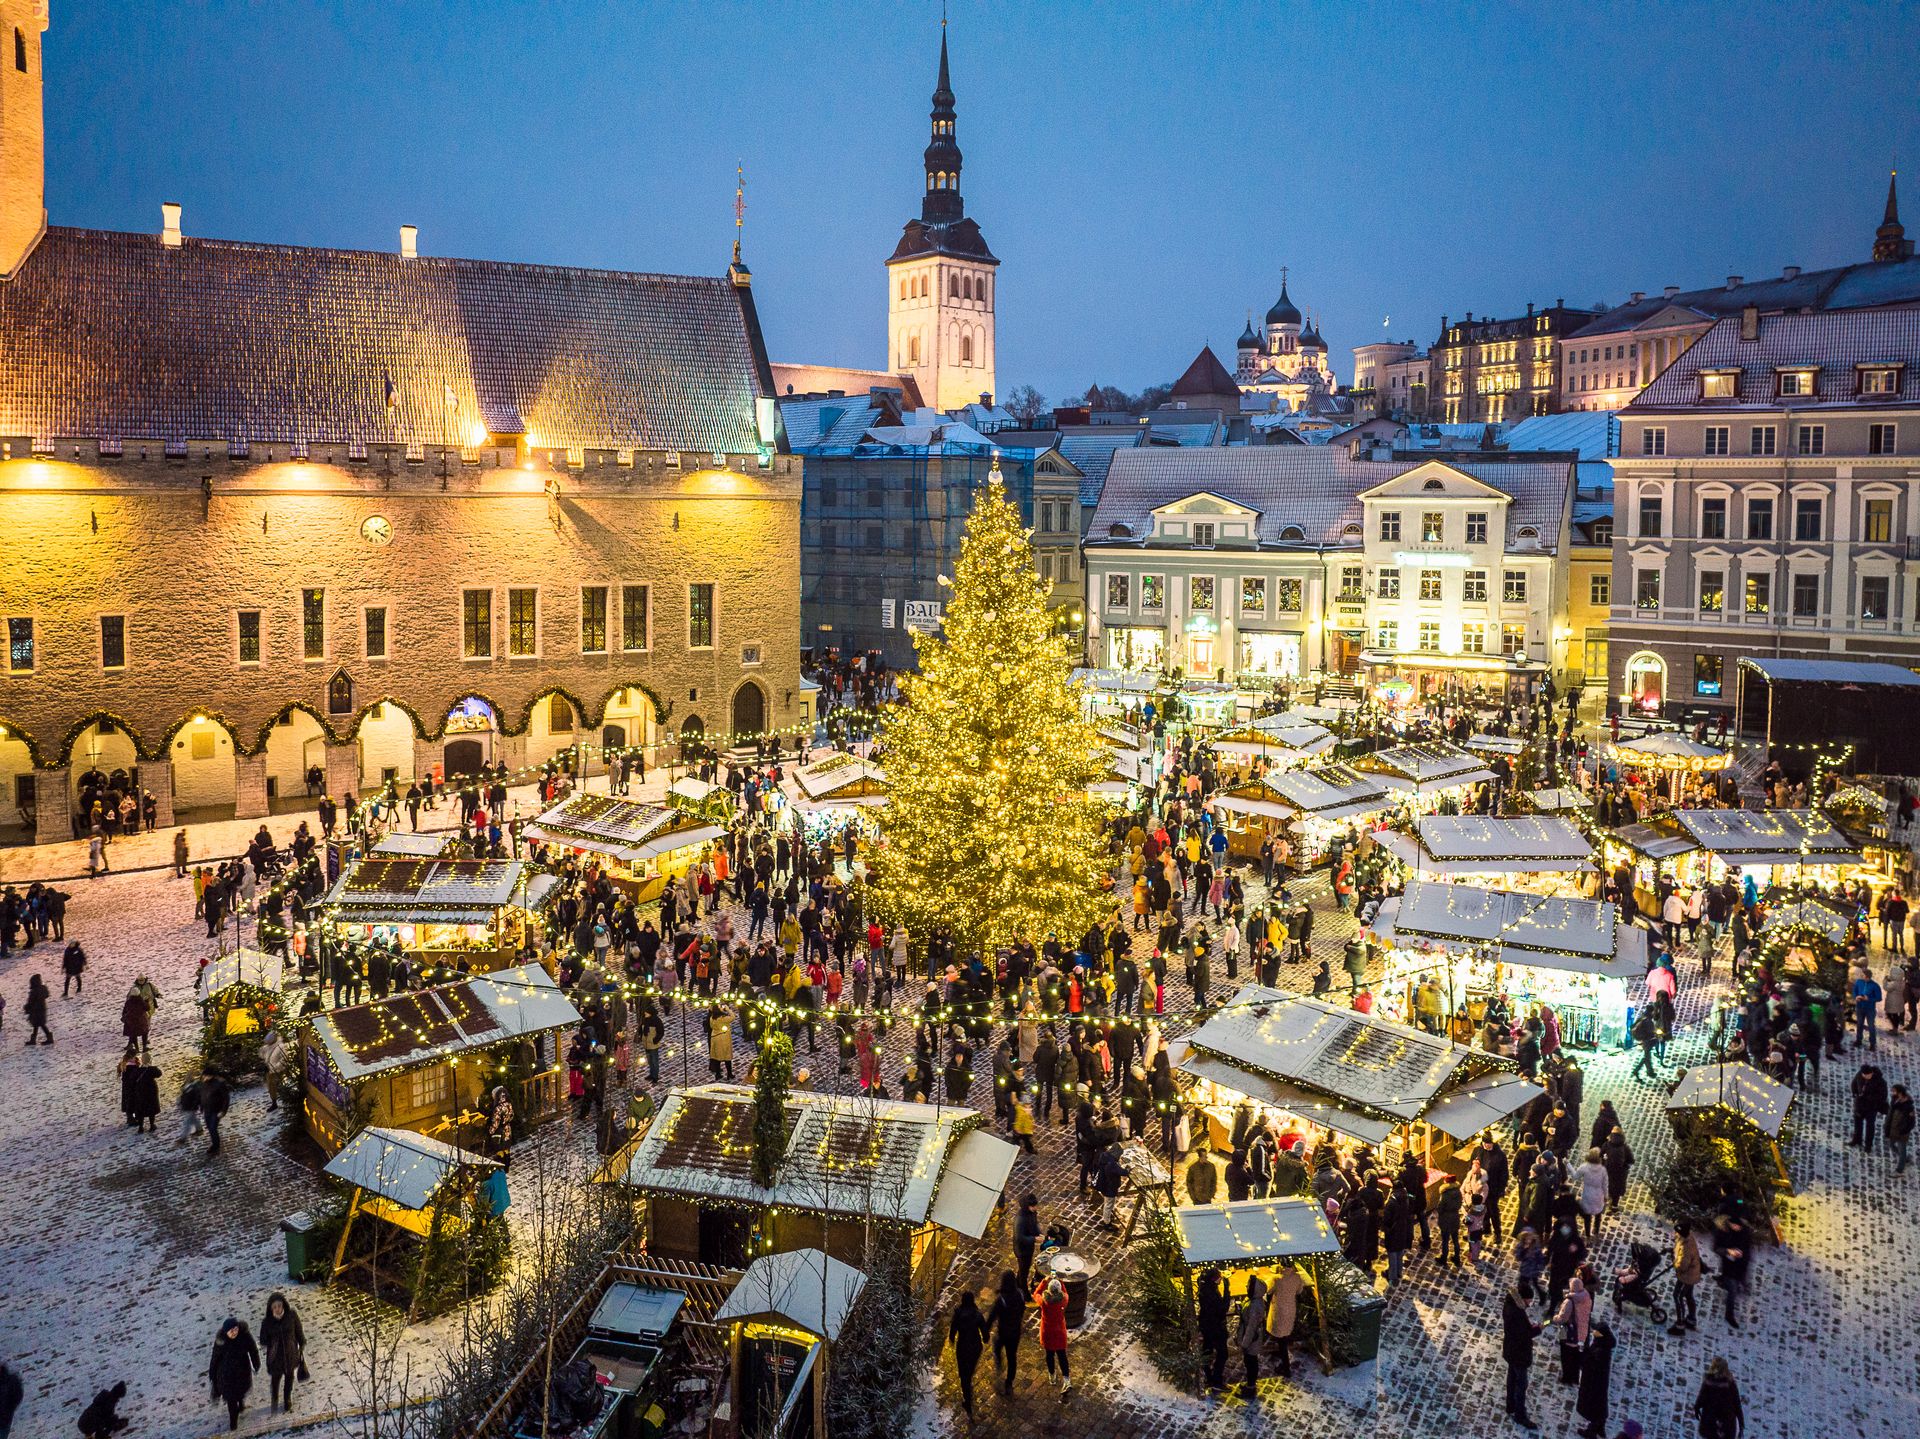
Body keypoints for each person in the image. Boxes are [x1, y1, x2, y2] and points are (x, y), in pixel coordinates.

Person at [208, 1316, 261, 1430]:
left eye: (235, 1329)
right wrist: (212, 1373)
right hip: (226, 1376)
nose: (234, 1332)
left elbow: (253, 1349)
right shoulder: (221, 1341)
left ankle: (241, 1404)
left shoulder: (245, 1336)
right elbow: (215, 1358)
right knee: (231, 1400)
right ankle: (233, 1422)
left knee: (241, 1392)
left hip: (242, 1372)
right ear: (226, 1331)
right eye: (231, 1331)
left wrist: (256, 1363)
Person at [1501, 1285, 1541, 1429]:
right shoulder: (1517, 1313)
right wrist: (1538, 1329)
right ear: (1522, 1299)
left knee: (1511, 1379)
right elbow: (1524, 1335)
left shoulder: (1510, 1305)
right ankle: (1520, 1415)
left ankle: (1510, 1406)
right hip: (1519, 1354)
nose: (1529, 1304)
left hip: (1511, 1350)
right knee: (1521, 1385)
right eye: (1528, 1301)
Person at [259, 1292, 306, 1412]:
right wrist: (273, 1340)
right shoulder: (267, 1322)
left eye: (279, 1305)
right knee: (276, 1379)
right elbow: (263, 1340)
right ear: (271, 1309)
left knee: (289, 1378)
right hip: (275, 1357)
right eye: (274, 1307)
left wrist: (302, 1343)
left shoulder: (292, 1316)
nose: (277, 1309)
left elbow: (298, 1331)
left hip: (290, 1354)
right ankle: (274, 1398)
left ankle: (287, 1399)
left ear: (283, 1304)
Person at [947, 1291, 990, 1420]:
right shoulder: (977, 1315)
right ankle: (968, 1381)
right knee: (969, 1371)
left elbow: (953, 1329)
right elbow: (985, 1333)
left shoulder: (958, 1314)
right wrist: (985, 1339)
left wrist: (952, 1339)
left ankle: (967, 1399)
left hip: (962, 1348)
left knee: (963, 1375)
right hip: (975, 1348)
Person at [1573, 1318, 1615, 1439]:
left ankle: (1592, 1432)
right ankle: (1600, 1427)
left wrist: (1582, 1354)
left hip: (1594, 1382)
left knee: (1594, 1407)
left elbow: (1589, 1364)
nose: (1593, 1333)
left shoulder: (1600, 1351)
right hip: (1599, 1381)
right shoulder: (1603, 1343)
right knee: (1600, 1405)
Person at [987, 1270, 1025, 1396]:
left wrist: (985, 1331)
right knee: (1012, 1357)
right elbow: (1022, 1311)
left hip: (1003, 1332)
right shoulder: (1020, 1295)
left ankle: (999, 1362)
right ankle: (1009, 1382)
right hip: (1015, 1333)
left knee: (997, 1346)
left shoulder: (1001, 1300)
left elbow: (992, 1316)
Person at [1711, 1213, 1752, 1328]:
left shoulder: (1744, 1231)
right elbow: (1716, 1248)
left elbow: (1748, 1247)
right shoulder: (1722, 1232)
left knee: (1738, 1283)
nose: (1738, 1228)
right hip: (1729, 1266)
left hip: (1741, 1264)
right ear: (1730, 1223)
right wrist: (1728, 1251)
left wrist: (1744, 1255)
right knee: (1732, 1291)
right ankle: (1729, 1315)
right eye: (1735, 1226)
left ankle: (1724, 1281)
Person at [1034, 1275, 1071, 1396]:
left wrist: (1044, 1281)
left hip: (1048, 1332)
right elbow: (1065, 1292)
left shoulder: (1044, 1302)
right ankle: (1066, 1379)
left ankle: (1052, 1376)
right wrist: (1060, 1280)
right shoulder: (1064, 1299)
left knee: (1049, 1354)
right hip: (1060, 1332)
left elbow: (1036, 1293)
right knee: (1062, 1356)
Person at [1265, 1262, 1302, 1380]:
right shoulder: (1297, 1277)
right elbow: (1299, 1291)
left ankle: (1285, 1367)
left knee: (1281, 1338)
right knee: (1284, 1334)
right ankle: (1280, 1353)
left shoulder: (1276, 1279)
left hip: (1279, 1310)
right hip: (1290, 1308)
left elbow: (1268, 1290)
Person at [1693, 1356, 1745, 1439]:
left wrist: (1697, 1408)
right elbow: (1737, 1404)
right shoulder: (1730, 1384)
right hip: (1727, 1424)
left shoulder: (1708, 1382)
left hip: (1710, 1422)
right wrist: (1741, 1424)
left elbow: (1701, 1398)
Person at [1553, 1274, 1591, 1386]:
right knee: (1576, 1356)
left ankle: (1566, 1378)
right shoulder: (1586, 1296)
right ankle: (1575, 1377)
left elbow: (1562, 1318)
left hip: (1569, 1333)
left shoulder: (1569, 1302)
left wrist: (1554, 1318)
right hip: (1582, 1331)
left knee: (1566, 1356)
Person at [1196, 1267, 1230, 1389]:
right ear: (1214, 1279)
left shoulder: (1204, 1286)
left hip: (1206, 1324)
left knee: (1207, 1349)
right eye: (1219, 1276)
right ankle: (1216, 1380)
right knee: (1223, 1353)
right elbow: (1223, 1308)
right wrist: (1227, 1290)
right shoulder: (1212, 1293)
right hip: (1215, 1326)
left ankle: (1207, 1375)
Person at [1236, 1272, 1269, 1394]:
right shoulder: (1253, 1300)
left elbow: (1251, 1327)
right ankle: (1250, 1384)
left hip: (1252, 1339)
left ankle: (1251, 1387)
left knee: (1251, 1362)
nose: (1246, 1286)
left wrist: (1244, 1343)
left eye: (1249, 1285)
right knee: (1249, 1361)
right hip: (1250, 1336)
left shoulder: (1256, 1305)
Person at [1669, 1219, 1702, 1335]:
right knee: (1688, 1295)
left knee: (1677, 1296)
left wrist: (1674, 1262)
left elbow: (1682, 1265)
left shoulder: (1686, 1248)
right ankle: (1691, 1320)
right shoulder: (1687, 1238)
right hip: (1691, 1274)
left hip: (1687, 1276)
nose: (1675, 1234)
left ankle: (1680, 1325)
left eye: (1677, 1232)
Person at [1850, 1062, 1889, 1151]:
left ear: (1871, 1073)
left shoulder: (1880, 1082)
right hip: (1859, 1105)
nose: (1864, 1077)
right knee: (1857, 1123)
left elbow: (1883, 1096)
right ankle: (1857, 1140)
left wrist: (1868, 1098)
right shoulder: (1860, 1074)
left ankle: (1868, 1145)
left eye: (1866, 1075)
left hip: (1871, 1107)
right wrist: (1855, 1093)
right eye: (1863, 1075)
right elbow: (1854, 1083)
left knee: (1870, 1126)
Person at [1014, 1194, 1041, 1291]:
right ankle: (1024, 1292)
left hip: (1028, 1248)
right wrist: (1034, 1239)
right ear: (1027, 1206)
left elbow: (1035, 1223)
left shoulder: (1032, 1212)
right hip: (1022, 1250)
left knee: (1024, 1268)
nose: (1035, 1208)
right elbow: (1019, 1237)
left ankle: (1017, 1284)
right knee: (1024, 1272)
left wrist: (1039, 1232)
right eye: (1033, 1206)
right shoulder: (1020, 1219)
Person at [1888, 1082, 1914, 1174]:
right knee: (1891, 1145)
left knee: (1902, 1149)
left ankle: (1900, 1169)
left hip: (1902, 1132)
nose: (1892, 1093)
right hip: (1893, 1129)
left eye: (1894, 1091)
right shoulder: (1894, 1100)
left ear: (1900, 1093)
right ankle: (1905, 1159)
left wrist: (1904, 1131)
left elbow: (1912, 1122)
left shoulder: (1908, 1107)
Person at [22, 974, 52, 1045]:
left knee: (39, 1024)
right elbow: (46, 995)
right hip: (42, 1009)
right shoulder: (42, 989)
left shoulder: (34, 991)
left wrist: (26, 1008)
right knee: (39, 1024)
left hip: (35, 1010)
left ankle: (47, 1038)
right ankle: (37, 1039)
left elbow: (30, 1002)